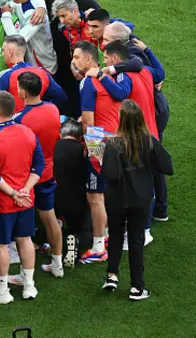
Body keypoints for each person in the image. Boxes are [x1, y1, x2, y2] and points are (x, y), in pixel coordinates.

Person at [100, 100, 173, 300]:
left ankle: (112, 275)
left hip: (116, 199)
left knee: (115, 236)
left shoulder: (113, 145)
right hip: (141, 199)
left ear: (121, 120)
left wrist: (102, 157)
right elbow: (168, 166)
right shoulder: (149, 141)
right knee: (136, 240)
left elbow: (110, 175)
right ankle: (137, 287)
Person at [0, 91, 44, 304]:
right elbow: (39, 166)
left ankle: (2, 290)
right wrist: (25, 190)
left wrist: (15, 193)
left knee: (2, 245)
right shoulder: (28, 132)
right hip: (26, 200)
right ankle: (29, 286)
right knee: (25, 239)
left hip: (5, 203)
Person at [100, 29, 170, 221]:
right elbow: (160, 73)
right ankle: (160, 213)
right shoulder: (145, 71)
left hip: (136, 136)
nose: (104, 62)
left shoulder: (124, 76)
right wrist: (147, 50)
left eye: (106, 58)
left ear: (115, 58)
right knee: (151, 175)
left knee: (138, 180)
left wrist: (101, 76)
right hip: (151, 131)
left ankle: (144, 224)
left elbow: (120, 93)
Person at [71, 41, 122, 264]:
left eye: (76, 57)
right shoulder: (108, 78)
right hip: (118, 141)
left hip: (100, 143)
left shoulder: (87, 83)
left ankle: (99, 246)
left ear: (89, 59)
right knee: (107, 191)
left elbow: (89, 122)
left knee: (94, 195)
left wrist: (90, 149)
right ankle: (108, 235)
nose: (73, 61)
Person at [13, 72, 63, 278]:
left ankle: (23, 269)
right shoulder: (53, 109)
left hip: (27, 176)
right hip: (48, 172)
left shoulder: (21, 120)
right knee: (50, 217)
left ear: (23, 93)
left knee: (21, 224)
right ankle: (57, 263)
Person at [41, 0, 101, 118]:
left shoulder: (88, 5)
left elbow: (107, 26)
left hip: (80, 66)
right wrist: (40, 9)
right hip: (55, 61)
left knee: (78, 99)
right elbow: (31, 0)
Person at [1, 0, 58, 75]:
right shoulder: (19, 2)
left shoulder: (36, 15)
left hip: (42, 62)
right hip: (29, 58)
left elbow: (17, 39)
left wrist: (6, 15)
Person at [53, 119, 89, 267]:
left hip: (55, 199)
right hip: (78, 200)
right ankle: (77, 240)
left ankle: (56, 241)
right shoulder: (83, 151)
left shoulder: (52, 147)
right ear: (80, 137)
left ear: (61, 134)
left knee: (53, 224)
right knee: (85, 229)